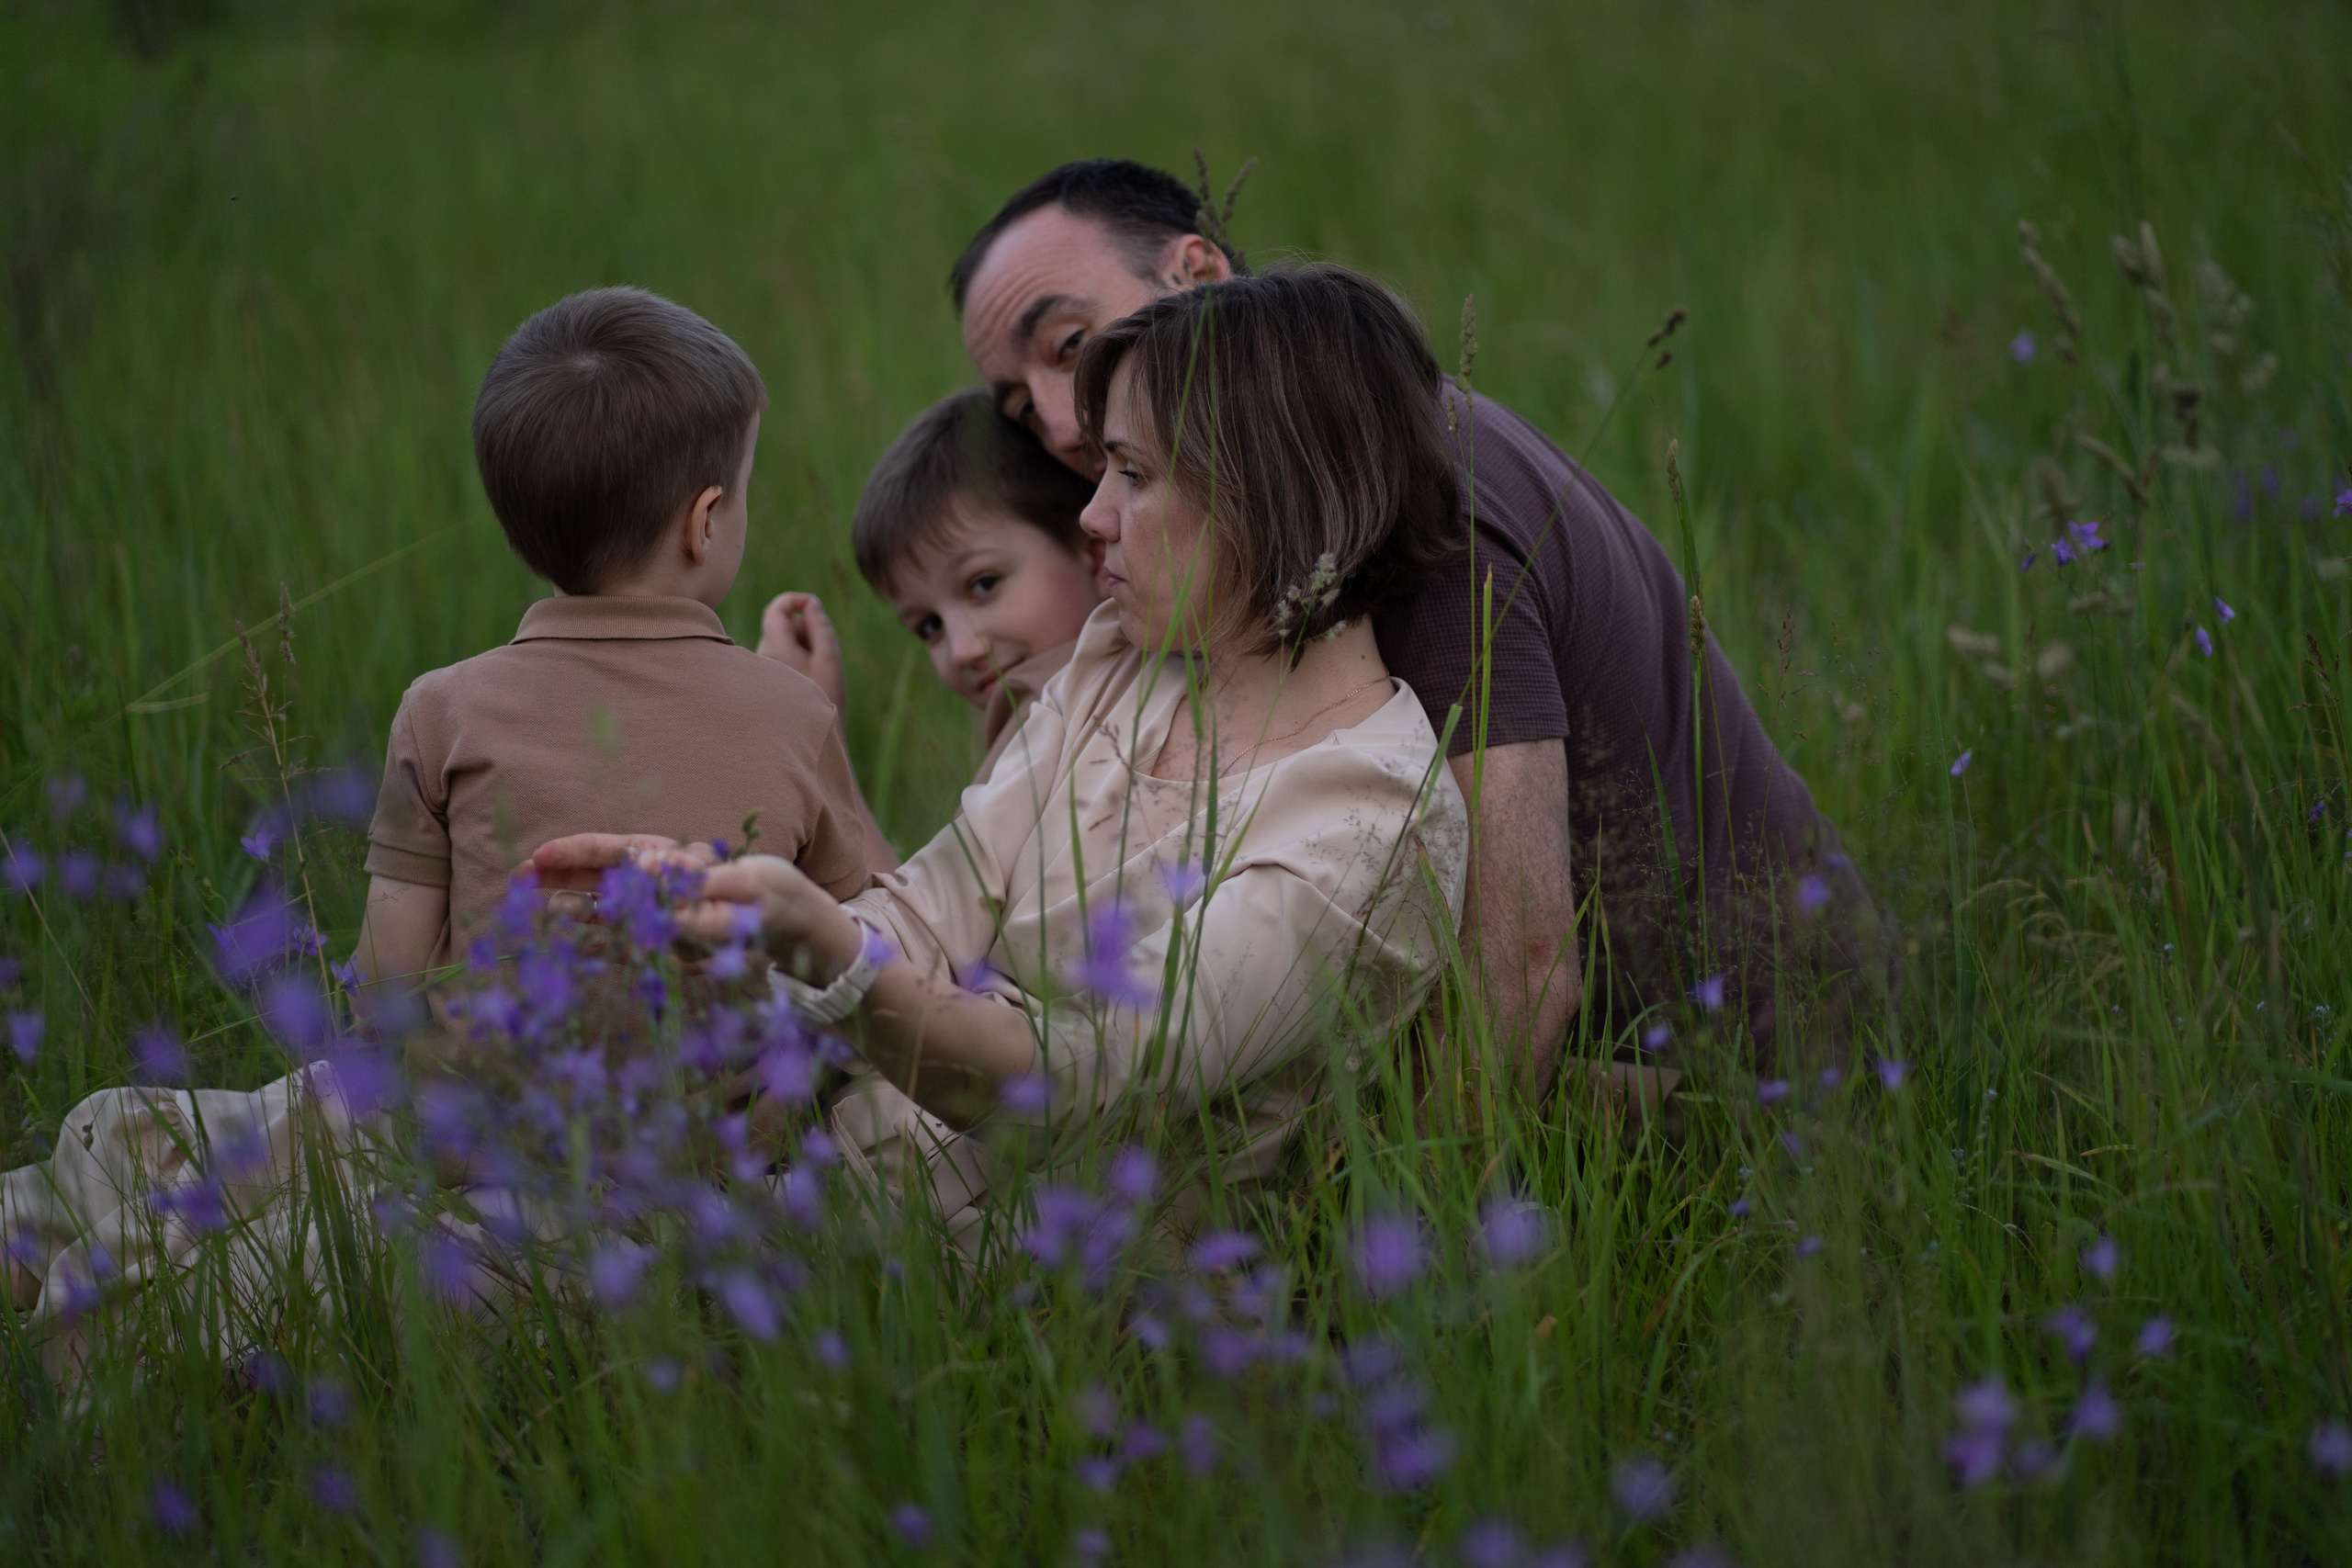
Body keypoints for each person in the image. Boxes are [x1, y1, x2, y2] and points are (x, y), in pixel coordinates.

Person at [3, 287, 871, 1350]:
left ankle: (51, 1246)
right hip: (648, 1181)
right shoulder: (795, 714)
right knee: (297, 1282)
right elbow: (867, 945)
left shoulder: (445, 706)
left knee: (189, 1151)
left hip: (447, 1124)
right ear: (704, 522)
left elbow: (384, 989)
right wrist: (787, 706)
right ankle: (114, 1318)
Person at [536, 265, 1471, 1244]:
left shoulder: (1364, 824)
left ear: (1274, 487)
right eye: (1104, 468)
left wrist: (821, 945)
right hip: (839, 1196)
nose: (1092, 516)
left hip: (1042, 1305)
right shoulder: (1122, 661)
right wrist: (727, 923)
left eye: (1136, 475)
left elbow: (1071, 1078)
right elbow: (937, 904)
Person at [941, 159, 1892, 1093]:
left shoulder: (1419, 510)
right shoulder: (1300, 506)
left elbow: (1520, 973)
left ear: (1198, 276)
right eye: (1022, 408)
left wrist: (1380, 1241)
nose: (1062, 424)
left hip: (1743, 1091)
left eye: (1068, 345)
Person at [759, 389, 1103, 810]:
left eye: (983, 584)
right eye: (930, 626)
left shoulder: (1056, 703)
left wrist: (816, 736)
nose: (963, 650)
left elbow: (906, 882)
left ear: (1094, 547)